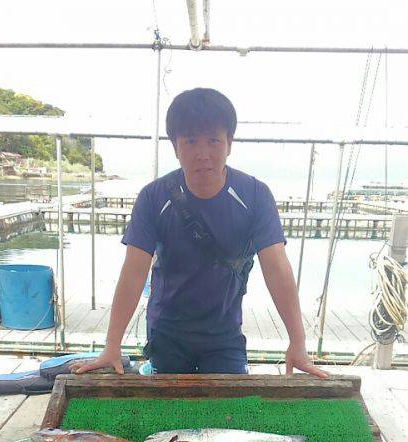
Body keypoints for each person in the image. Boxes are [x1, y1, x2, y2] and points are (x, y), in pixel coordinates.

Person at [72, 87, 327, 378]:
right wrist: (111, 345)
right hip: (167, 330)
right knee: (168, 410)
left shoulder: (255, 195)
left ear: (229, 143)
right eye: (190, 141)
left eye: (213, 140)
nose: (202, 154)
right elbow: (133, 272)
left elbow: (277, 269)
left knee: (228, 412)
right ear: (176, 146)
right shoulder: (154, 197)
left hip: (224, 332)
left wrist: (298, 342)